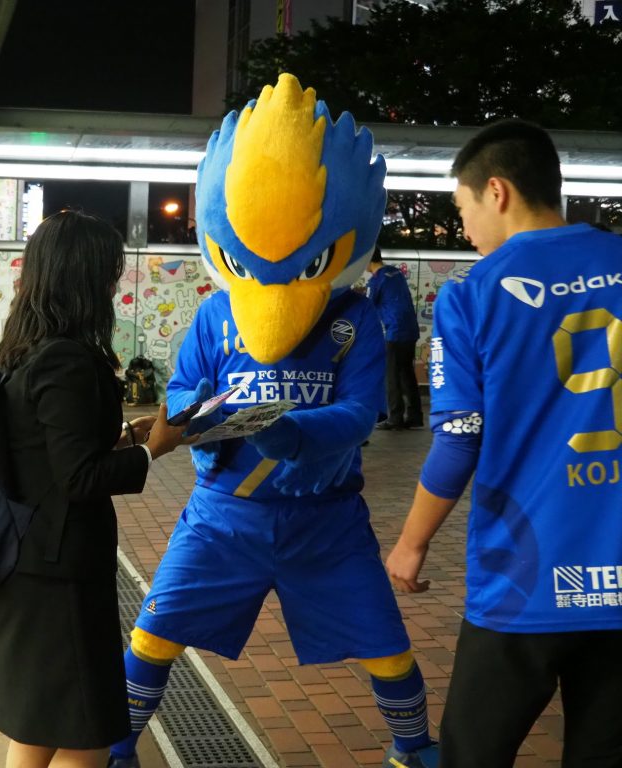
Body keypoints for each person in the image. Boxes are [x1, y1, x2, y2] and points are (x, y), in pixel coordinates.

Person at [110, 74, 438, 768]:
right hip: (223, 514)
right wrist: (198, 416)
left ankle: (413, 748)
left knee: (386, 647)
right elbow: (181, 387)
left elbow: (361, 414)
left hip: (328, 520)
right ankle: (118, 747)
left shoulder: (354, 318)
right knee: (153, 635)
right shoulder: (215, 313)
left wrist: (292, 435)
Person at [385, 118, 622, 767]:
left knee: (474, 753)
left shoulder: (473, 295)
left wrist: (410, 544)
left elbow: (459, 440)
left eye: (462, 209)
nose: (464, 229)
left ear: (497, 191)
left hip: (525, 575)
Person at [0, 210, 194, 768]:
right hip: (60, 575)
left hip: (30, 562)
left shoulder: (23, 349)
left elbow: (47, 452)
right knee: (81, 733)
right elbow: (78, 478)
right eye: (108, 273)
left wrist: (125, 437)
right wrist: (154, 449)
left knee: (43, 724)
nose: (113, 286)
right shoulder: (67, 358)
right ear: (83, 278)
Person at [366, 247, 423, 430]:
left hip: (395, 331)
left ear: (368, 260)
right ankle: (415, 416)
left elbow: (368, 306)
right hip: (410, 330)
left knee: (391, 374)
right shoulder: (396, 273)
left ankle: (395, 417)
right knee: (406, 373)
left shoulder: (377, 279)